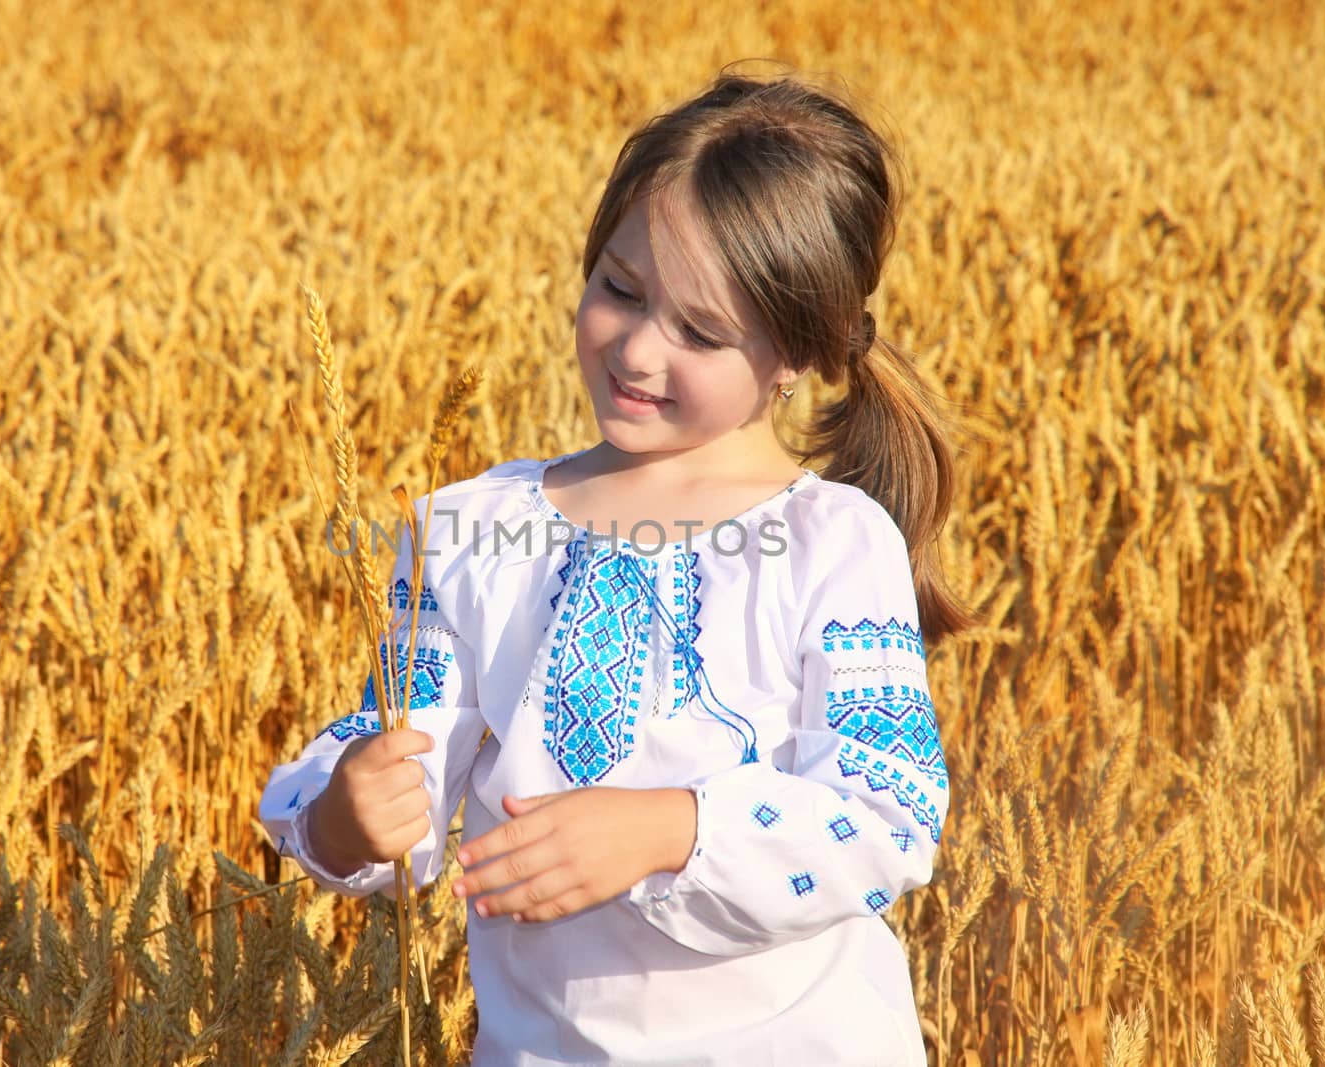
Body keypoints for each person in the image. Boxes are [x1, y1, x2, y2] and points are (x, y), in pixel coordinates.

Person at [260, 68, 970, 1066]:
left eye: (700, 331)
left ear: (795, 354)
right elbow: (400, 765)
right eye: (619, 290)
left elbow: (883, 814)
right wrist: (343, 814)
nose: (638, 350)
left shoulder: (833, 542)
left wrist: (667, 828)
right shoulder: (467, 529)